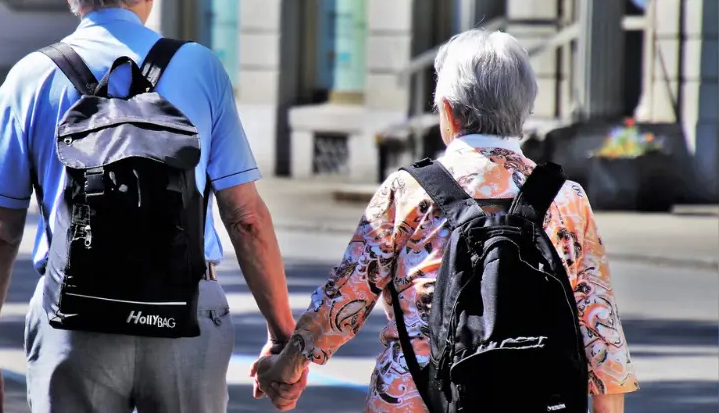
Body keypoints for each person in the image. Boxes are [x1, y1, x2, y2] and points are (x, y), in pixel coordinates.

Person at [0, 0, 306, 413]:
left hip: (74, 320)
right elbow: (245, 217)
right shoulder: (200, 68)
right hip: (186, 316)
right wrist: (282, 335)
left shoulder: (29, 78)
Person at [254, 29, 639, 413]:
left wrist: (289, 365)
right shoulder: (566, 198)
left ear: (449, 112)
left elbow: (346, 298)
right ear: (524, 109)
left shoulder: (407, 191)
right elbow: (599, 326)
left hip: (414, 399)